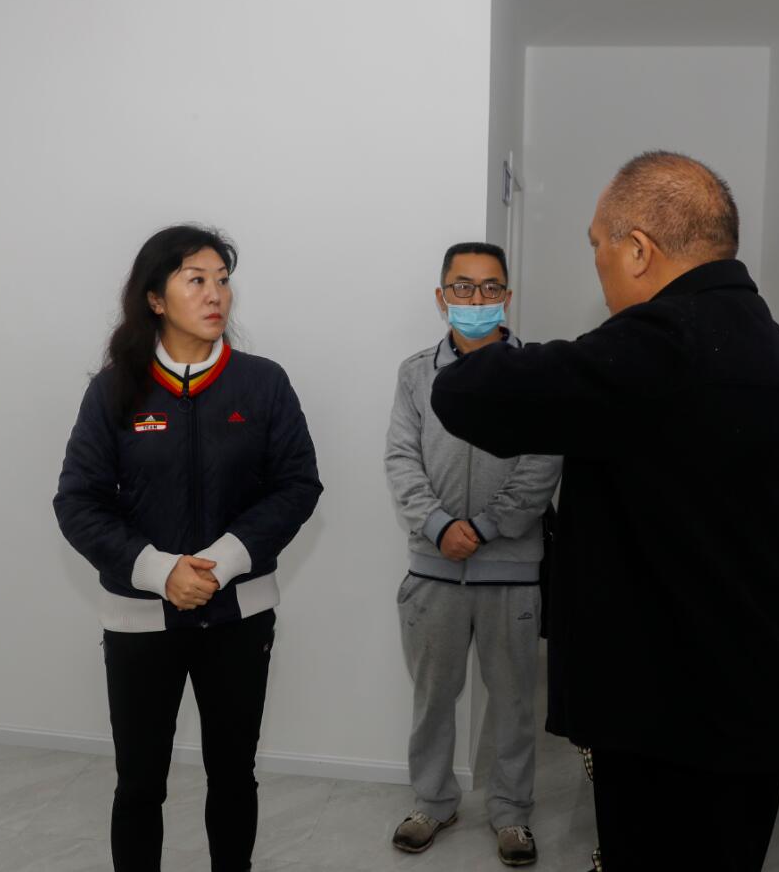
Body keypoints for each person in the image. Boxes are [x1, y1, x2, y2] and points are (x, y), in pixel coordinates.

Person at [430, 152, 779, 872]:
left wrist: (476, 333)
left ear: (637, 249)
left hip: (670, 715)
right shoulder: (768, 339)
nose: (599, 265)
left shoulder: (662, 341)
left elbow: (468, 395)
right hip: (746, 695)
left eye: (597, 245)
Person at [53, 224, 322, 872]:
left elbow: (296, 485)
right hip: (140, 619)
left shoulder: (263, 384)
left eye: (222, 280)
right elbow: (79, 501)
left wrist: (224, 561)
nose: (215, 294)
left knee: (233, 773)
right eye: (196, 279)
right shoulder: (114, 389)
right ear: (155, 298)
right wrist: (160, 570)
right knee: (140, 782)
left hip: (239, 614)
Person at [385, 241, 562, 867]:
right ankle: (432, 802)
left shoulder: (536, 374)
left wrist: (484, 528)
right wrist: (439, 527)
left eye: (490, 288)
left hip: (511, 571)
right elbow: (401, 458)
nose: (476, 299)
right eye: (463, 287)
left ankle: (512, 813)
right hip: (432, 569)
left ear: (507, 296)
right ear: (442, 297)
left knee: (513, 703)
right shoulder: (415, 374)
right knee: (432, 697)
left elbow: (543, 463)